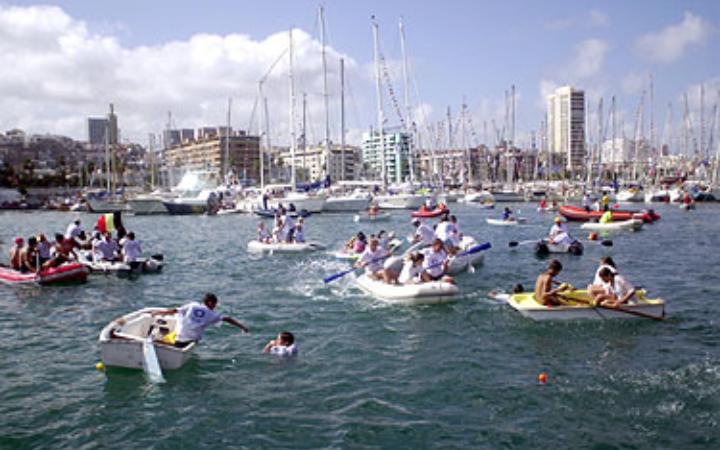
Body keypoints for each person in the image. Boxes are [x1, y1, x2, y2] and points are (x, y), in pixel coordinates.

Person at [152, 293, 249, 348]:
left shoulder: (192, 305)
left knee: (179, 326)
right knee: (176, 343)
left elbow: (174, 311)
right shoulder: (211, 314)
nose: (215, 307)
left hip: (180, 337)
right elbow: (228, 319)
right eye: (214, 304)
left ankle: (157, 341)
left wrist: (158, 313)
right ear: (210, 303)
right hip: (189, 342)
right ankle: (155, 342)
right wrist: (242, 327)